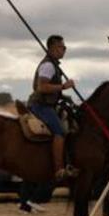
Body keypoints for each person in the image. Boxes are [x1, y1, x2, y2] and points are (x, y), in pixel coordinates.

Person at [29, 35, 78, 181]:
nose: (64, 50)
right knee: (60, 132)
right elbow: (42, 87)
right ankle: (59, 169)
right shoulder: (48, 66)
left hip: (48, 104)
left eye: (64, 48)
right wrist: (63, 86)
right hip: (40, 106)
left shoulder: (54, 65)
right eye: (61, 47)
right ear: (52, 48)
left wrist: (63, 96)